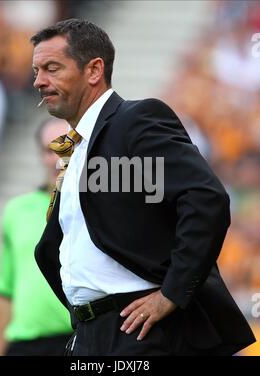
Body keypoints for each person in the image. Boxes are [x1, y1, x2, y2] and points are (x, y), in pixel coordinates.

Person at [31, 19, 255, 356]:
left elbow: (205, 198)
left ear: (94, 70)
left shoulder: (135, 120)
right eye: (36, 71)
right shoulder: (74, 148)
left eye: (51, 68)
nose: (38, 81)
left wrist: (172, 295)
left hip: (139, 333)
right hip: (89, 337)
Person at [0, 118, 73, 356]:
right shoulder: (16, 210)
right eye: (50, 150)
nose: (58, 158)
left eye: (65, 148)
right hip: (24, 344)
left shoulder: (94, 208)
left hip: (77, 341)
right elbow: (4, 291)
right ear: (40, 155)